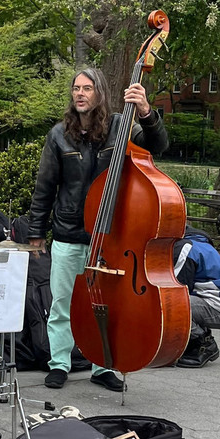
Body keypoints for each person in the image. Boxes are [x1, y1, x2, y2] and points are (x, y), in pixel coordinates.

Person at [26, 68, 169, 392]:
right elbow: (45, 187)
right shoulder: (58, 135)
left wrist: (146, 111)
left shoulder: (121, 126)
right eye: (76, 88)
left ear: (99, 93)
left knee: (103, 303)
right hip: (68, 231)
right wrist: (37, 231)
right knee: (61, 302)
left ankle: (102, 365)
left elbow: (158, 144)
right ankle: (59, 363)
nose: (80, 93)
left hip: (109, 237)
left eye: (87, 88)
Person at [172, 225, 220, 368]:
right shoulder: (196, 243)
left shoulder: (186, 248)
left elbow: (177, 288)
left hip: (219, 308)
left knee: (172, 305)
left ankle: (204, 344)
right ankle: (196, 341)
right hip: (219, 303)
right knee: (175, 303)